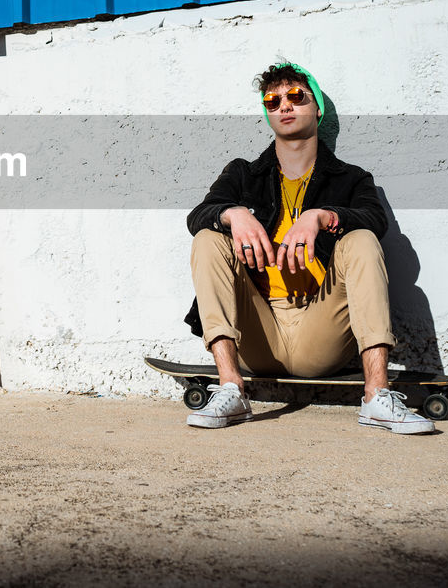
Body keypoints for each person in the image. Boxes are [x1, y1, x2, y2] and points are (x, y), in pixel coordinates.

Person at [183, 61, 434, 434]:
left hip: (322, 331)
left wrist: (323, 216)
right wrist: (233, 213)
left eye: (295, 96)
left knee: (361, 238)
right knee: (207, 237)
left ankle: (377, 396)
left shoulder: (350, 178)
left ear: (316, 107)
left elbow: (374, 220)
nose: (283, 105)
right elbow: (198, 215)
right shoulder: (242, 174)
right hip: (257, 332)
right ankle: (232, 388)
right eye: (272, 101)